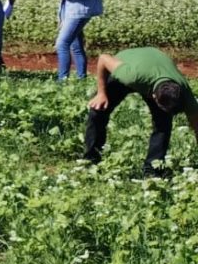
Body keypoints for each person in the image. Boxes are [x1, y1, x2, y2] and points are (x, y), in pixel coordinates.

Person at [84, 47, 198, 177]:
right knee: (97, 111)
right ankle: (91, 161)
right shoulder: (131, 75)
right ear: (154, 97)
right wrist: (101, 93)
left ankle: (153, 170)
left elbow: (197, 125)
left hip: (155, 62)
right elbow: (103, 58)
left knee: (163, 123)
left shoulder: (184, 93)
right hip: (128, 62)